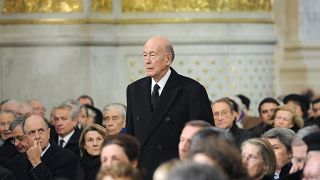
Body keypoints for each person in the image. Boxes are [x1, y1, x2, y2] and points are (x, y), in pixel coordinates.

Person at [126, 36, 213, 179]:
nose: (147, 60)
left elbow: (204, 139)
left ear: (168, 59)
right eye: (144, 55)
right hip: (143, 173)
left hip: (176, 172)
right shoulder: (134, 90)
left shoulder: (192, 90)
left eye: (152, 55)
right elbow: (130, 136)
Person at [7, 115, 79, 180]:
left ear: (48, 133)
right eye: (32, 132)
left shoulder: (67, 158)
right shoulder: (17, 163)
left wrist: (37, 163)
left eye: (41, 131)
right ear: (26, 137)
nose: (37, 136)